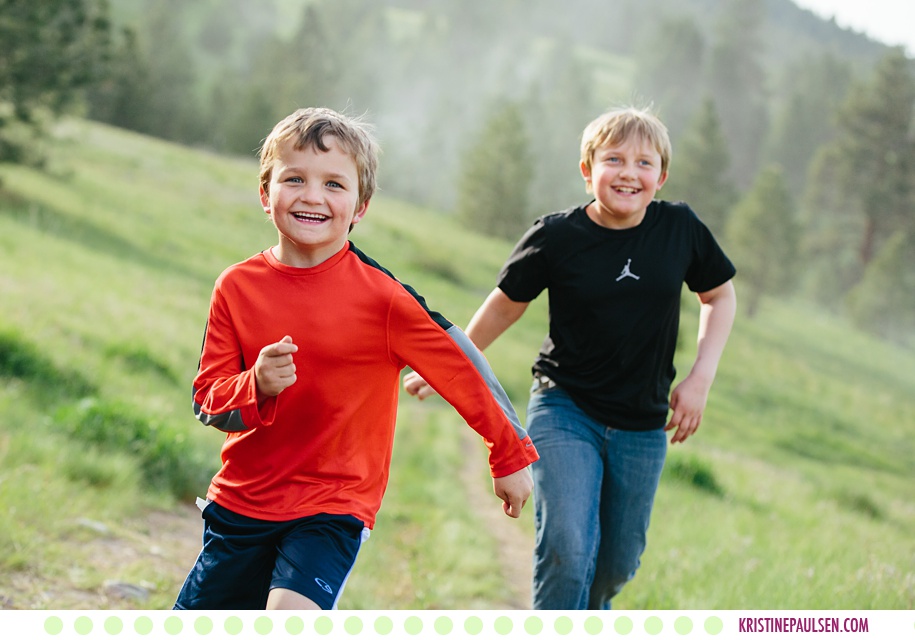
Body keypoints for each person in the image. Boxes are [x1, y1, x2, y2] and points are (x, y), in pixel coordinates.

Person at [173, 107, 538, 611]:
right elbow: (207, 402)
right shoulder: (236, 287)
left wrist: (508, 452)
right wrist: (255, 384)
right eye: (294, 178)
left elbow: (457, 364)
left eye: (334, 185)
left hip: (333, 504)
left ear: (360, 206)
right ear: (266, 193)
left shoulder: (383, 299)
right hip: (242, 501)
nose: (313, 196)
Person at [404, 105, 737, 609]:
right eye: (614, 159)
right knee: (568, 549)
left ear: (661, 176)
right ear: (587, 171)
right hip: (565, 409)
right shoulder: (557, 237)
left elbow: (719, 295)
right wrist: (451, 364)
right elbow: (503, 309)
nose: (629, 173)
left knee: (617, 564)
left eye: (645, 163)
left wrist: (700, 379)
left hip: (642, 425)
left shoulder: (680, 229)